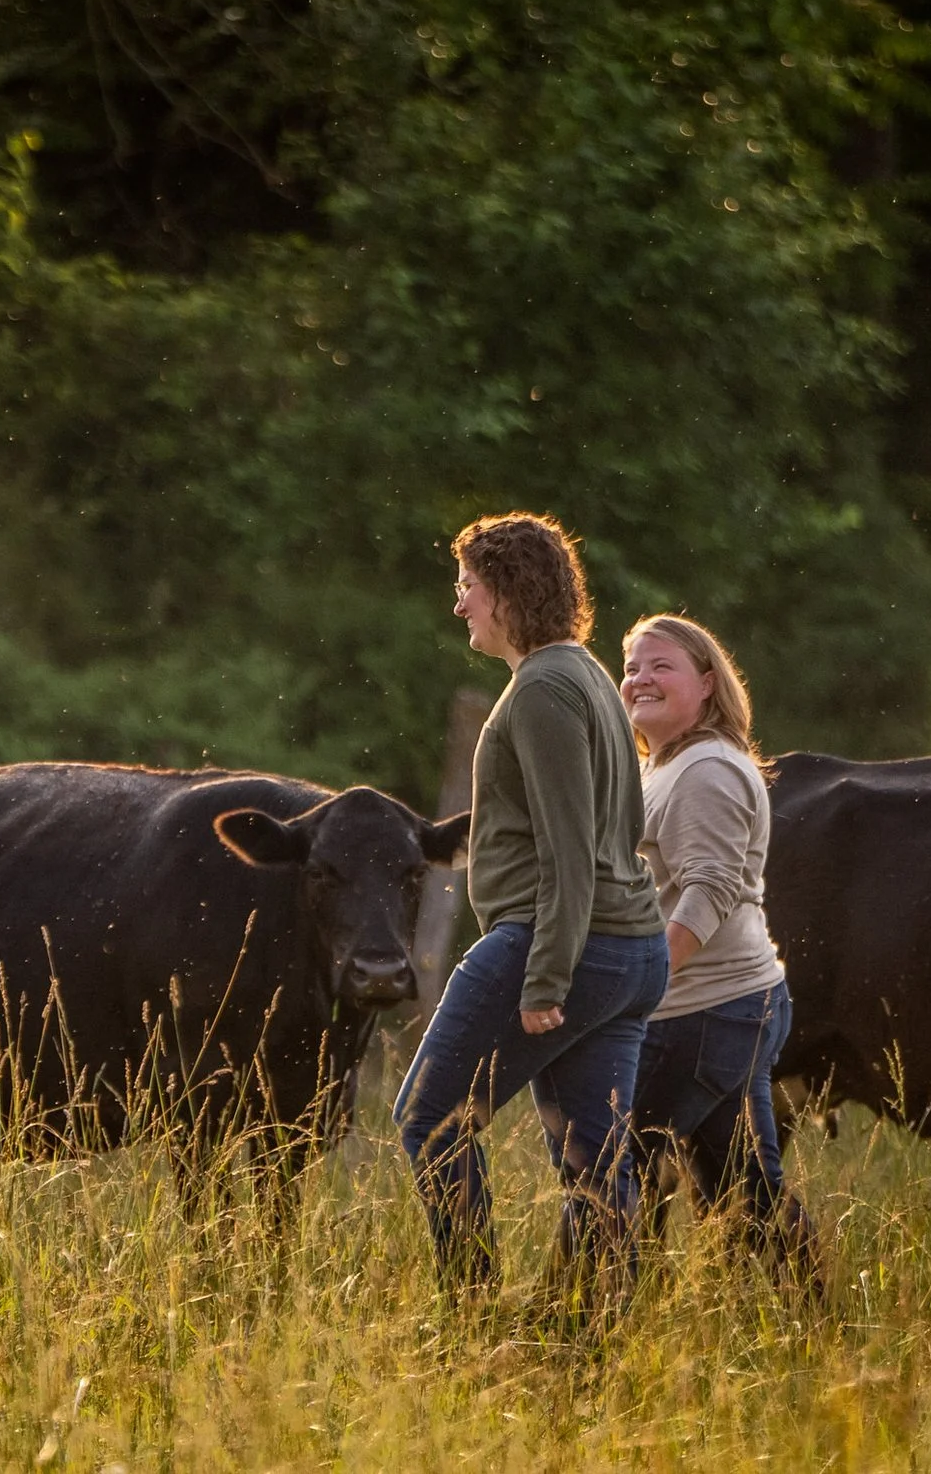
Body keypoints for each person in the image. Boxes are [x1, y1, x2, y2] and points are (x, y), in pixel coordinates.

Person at [395, 514, 670, 1305]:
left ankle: (472, 1309)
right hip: (628, 951)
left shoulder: (546, 689)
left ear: (508, 592)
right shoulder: (581, 676)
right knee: (593, 1160)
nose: (460, 607)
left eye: (467, 588)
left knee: (430, 1120)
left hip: (563, 947)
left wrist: (545, 975)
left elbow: (570, 848)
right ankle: (591, 1343)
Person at [620, 613, 823, 1291]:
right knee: (746, 1192)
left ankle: (583, 1325)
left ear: (707, 684)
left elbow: (709, 891)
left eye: (662, 665)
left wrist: (644, 981)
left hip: (707, 1010)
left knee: (614, 1167)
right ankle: (821, 1323)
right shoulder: (665, 768)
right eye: (632, 667)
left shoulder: (706, 768)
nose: (640, 678)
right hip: (719, 1009)